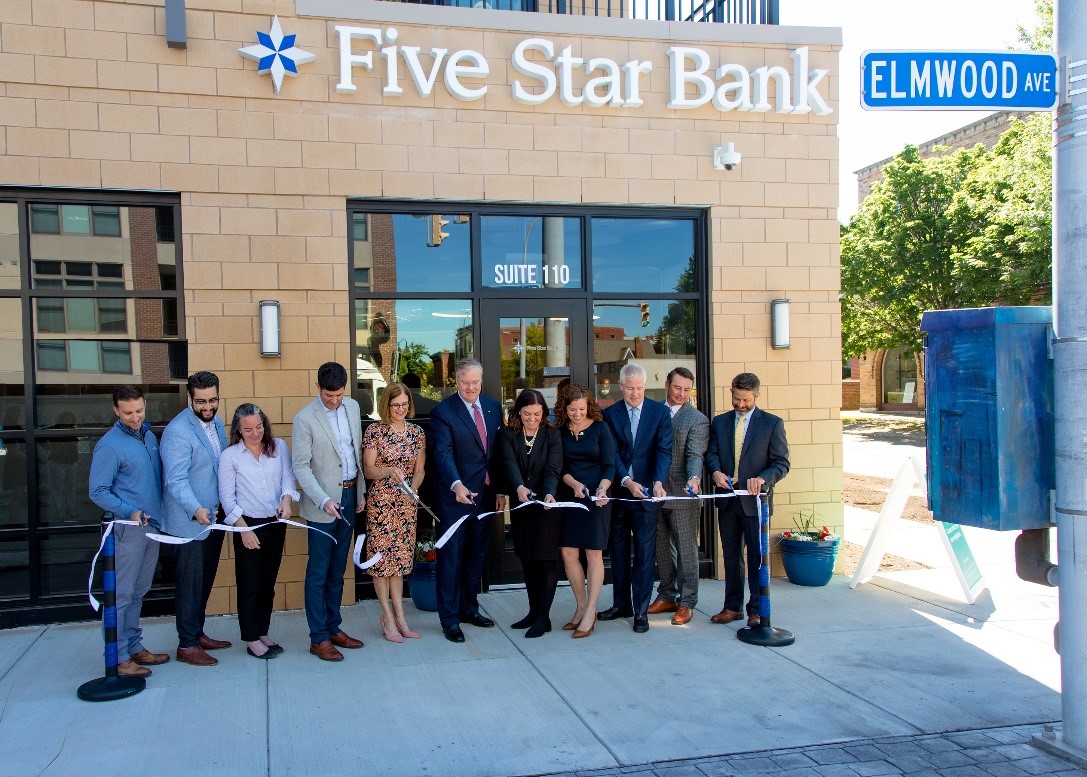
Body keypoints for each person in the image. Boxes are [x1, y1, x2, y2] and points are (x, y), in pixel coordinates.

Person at [88, 385, 169, 678]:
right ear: (116, 410)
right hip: (127, 530)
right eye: (128, 413)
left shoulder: (148, 436)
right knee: (120, 595)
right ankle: (118, 657)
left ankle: (134, 647)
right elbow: (97, 490)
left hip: (152, 528)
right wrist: (129, 511)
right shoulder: (109, 446)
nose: (135, 417)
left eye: (139, 410)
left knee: (139, 592)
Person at [293, 362, 368, 661]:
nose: (334, 401)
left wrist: (359, 492)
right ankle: (319, 637)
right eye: (328, 395)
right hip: (322, 504)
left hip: (350, 495)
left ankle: (334, 627)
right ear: (318, 388)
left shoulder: (351, 407)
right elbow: (300, 466)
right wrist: (324, 499)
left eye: (338, 395)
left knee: (339, 569)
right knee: (319, 572)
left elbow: (355, 452)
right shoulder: (304, 419)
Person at [705, 372, 790, 627]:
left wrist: (763, 478)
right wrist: (716, 472)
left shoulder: (772, 424)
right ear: (731, 393)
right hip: (728, 500)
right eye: (736, 398)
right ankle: (732, 607)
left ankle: (755, 610)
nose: (740, 405)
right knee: (731, 557)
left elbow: (782, 463)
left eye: (745, 400)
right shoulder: (719, 423)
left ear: (756, 395)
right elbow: (712, 454)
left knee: (756, 558)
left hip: (756, 504)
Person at [428, 358, 503, 644]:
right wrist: (456, 483)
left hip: (484, 496)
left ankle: (469, 608)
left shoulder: (494, 407)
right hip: (454, 498)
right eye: (465, 382)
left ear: (481, 381)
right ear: (455, 382)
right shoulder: (443, 413)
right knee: (451, 559)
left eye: (475, 382)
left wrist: (499, 489)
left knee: (476, 556)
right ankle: (449, 620)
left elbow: (496, 453)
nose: (470, 387)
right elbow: (443, 454)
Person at [161, 371, 233, 666]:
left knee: (204, 581)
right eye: (201, 401)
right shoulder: (178, 431)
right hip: (189, 522)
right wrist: (195, 509)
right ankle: (187, 644)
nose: (208, 407)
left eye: (213, 400)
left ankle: (198, 632)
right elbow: (175, 480)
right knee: (189, 584)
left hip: (213, 518)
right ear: (190, 398)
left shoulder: (216, 423)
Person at [218, 403, 297, 659]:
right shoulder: (230, 456)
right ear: (238, 431)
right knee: (249, 584)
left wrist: (286, 501)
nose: (255, 433)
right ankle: (252, 639)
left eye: (259, 427)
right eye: (248, 429)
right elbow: (227, 499)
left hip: (275, 523)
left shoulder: (279, 447)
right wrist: (243, 530)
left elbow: (288, 478)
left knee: (268, 584)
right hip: (247, 525)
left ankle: (263, 631)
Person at [600, 362, 672, 633]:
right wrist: (626, 480)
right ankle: (621, 604)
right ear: (620, 387)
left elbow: (664, 450)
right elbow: (612, 454)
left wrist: (657, 481)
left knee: (643, 553)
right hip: (620, 492)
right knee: (618, 550)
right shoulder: (610, 414)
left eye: (639, 388)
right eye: (629, 389)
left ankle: (640, 610)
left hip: (647, 495)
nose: (635, 394)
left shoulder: (659, 413)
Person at [362, 382, 426, 644]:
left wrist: (412, 489)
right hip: (381, 504)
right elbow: (368, 470)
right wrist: (388, 471)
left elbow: (420, 469)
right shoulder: (375, 431)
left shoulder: (417, 432)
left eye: (404, 404)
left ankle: (400, 616)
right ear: (386, 405)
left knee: (398, 563)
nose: (401, 409)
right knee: (381, 563)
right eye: (395, 405)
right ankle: (386, 617)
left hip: (405, 504)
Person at [496, 389, 562, 638]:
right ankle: (534, 612)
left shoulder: (552, 434)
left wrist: (549, 493)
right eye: (526, 414)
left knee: (545, 561)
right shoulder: (508, 434)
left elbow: (553, 468)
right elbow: (509, 464)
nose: (532, 418)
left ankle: (544, 617)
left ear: (544, 412)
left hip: (547, 504)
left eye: (537, 413)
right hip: (521, 503)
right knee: (527, 559)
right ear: (518, 412)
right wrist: (518, 487)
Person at [647, 367, 709, 626]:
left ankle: (687, 601)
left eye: (687, 389)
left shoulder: (696, 419)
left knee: (686, 550)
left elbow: (695, 454)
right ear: (667, 386)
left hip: (684, 492)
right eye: (677, 388)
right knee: (661, 548)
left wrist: (694, 478)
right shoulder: (653, 412)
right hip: (655, 491)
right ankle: (667, 594)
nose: (682, 394)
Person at [555, 384, 615, 639]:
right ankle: (580, 607)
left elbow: (610, 465)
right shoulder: (560, 431)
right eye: (572, 410)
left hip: (597, 499)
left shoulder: (601, 428)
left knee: (593, 554)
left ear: (588, 406)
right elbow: (561, 466)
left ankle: (591, 611)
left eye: (581, 409)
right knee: (568, 552)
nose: (577, 414)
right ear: (564, 408)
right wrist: (575, 485)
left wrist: (601, 489)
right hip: (571, 495)